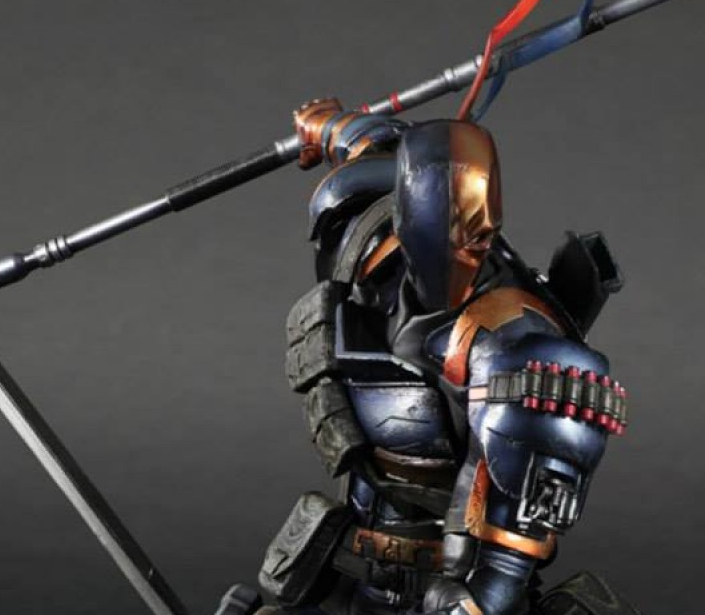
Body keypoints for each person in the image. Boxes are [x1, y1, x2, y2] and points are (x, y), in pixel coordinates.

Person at [234, 99, 633, 615]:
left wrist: (468, 604)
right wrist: (329, 126)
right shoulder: (374, 253)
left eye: (478, 229)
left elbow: (497, 572)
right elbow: (378, 150)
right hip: (359, 575)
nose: (466, 246)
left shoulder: (519, 348)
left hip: (448, 586)